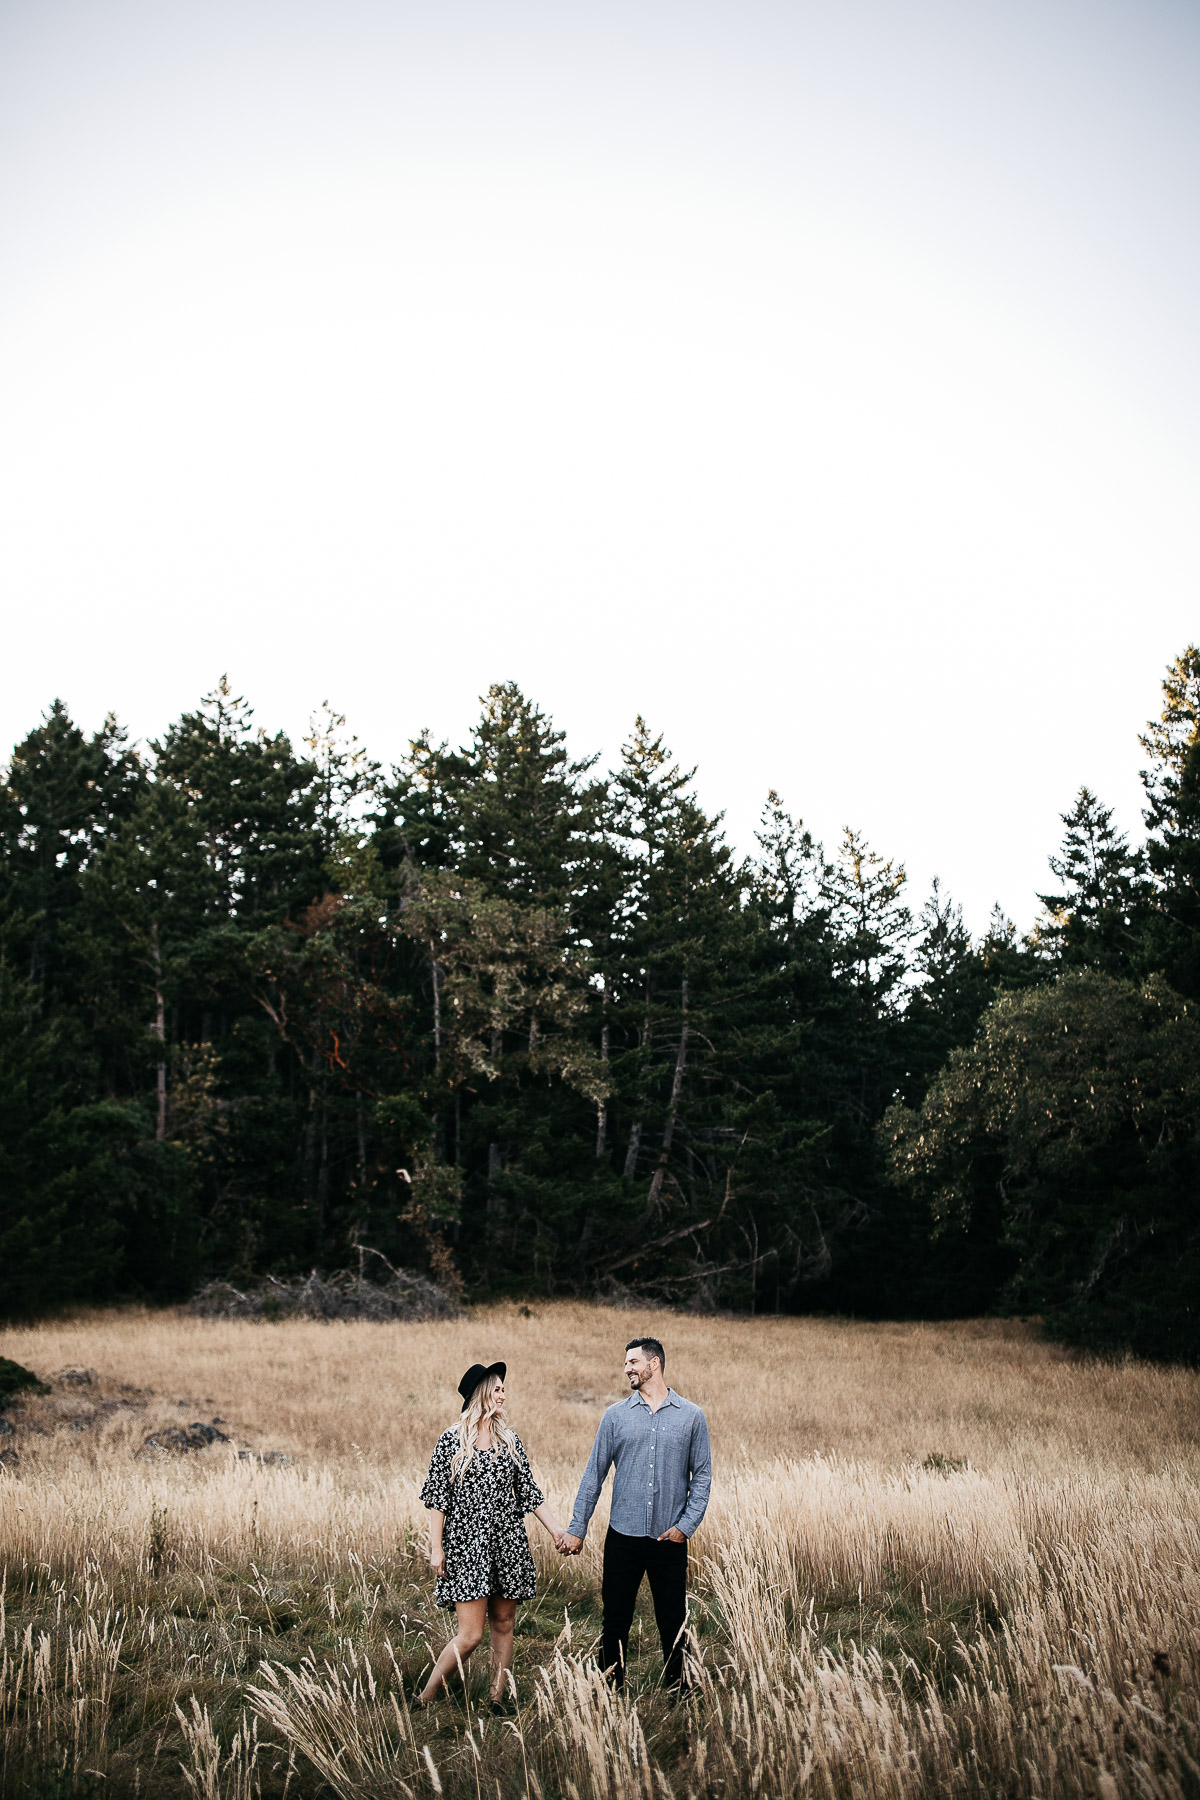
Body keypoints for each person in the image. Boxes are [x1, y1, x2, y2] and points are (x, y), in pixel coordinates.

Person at [561, 1336, 711, 1693]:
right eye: (626, 1363)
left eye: (632, 1362)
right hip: (622, 1538)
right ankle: (609, 1694)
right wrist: (577, 1528)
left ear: (653, 1364)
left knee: (673, 1621)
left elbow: (702, 1476)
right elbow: (593, 1475)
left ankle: (681, 1695)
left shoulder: (691, 1416)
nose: (626, 1368)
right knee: (614, 1621)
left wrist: (685, 1527)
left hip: (668, 1539)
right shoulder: (615, 1417)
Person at [418, 1360, 569, 1711]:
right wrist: (436, 1548)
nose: (503, 1394)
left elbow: (529, 1492)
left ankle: (496, 1699)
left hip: (507, 1544)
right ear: (481, 1393)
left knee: (504, 1622)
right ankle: (425, 1697)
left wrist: (557, 1531)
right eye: (497, 1389)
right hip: (467, 1548)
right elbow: (436, 1498)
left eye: (503, 1389)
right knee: (470, 1635)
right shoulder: (451, 1441)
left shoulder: (510, 1440)